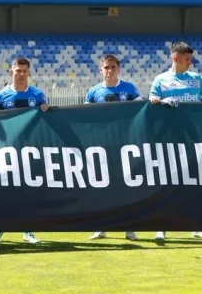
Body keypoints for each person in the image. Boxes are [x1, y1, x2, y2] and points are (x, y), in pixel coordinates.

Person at [0, 57, 48, 244]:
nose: (21, 74)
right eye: (17, 70)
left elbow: (44, 121)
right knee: (4, 191)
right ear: (11, 72)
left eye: (24, 71)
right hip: (8, 150)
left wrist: (46, 109)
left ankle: (27, 230)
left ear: (29, 73)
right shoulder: (1, 96)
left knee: (27, 191)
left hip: (30, 150)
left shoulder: (37, 95)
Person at [85, 54, 141, 241]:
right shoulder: (93, 92)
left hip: (125, 143)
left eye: (113, 67)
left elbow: (142, 108)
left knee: (127, 185)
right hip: (101, 145)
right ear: (100, 70)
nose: (109, 70)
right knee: (102, 185)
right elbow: (82, 115)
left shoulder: (130, 89)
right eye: (106, 67)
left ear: (118, 69)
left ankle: (129, 227)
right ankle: (101, 226)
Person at [149, 41, 202, 241]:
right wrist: (160, 101)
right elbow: (151, 104)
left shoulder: (197, 80)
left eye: (191, 59)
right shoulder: (160, 80)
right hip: (169, 139)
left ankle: (196, 225)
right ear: (175, 58)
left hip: (194, 139)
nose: (191, 63)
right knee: (166, 182)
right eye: (187, 59)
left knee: (196, 183)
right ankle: (161, 227)